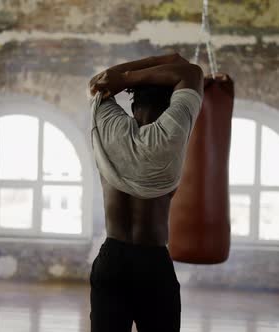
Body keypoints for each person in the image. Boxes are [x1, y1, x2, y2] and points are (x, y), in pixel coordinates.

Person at [88, 53, 205, 332]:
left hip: (111, 259)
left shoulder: (109, 126)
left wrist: (124, 76)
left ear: (133, 101)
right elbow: (193, 73)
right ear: (171, 103)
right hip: (152, 264)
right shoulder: (171, 132)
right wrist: (145, 72)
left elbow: (98, 83)